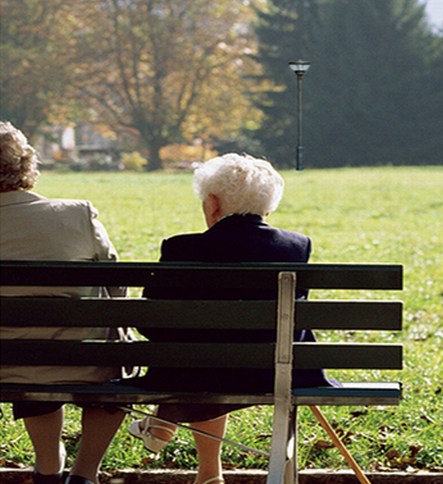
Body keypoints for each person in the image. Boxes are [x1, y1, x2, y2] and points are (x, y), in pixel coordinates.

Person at [128, 153, 328, 484]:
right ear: (268, 206)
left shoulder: (181, 248)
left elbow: (150, 322)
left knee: (201, 353)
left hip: (194, 371)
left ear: (213, 203)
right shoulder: (296, 246)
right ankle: (202, 466)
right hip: (276, 371)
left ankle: (166, 426)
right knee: (215, 352)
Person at [0, 122, 127, 484]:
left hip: (6, 363)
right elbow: (116, 286)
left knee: (28, 358)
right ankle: (84, 474)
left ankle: (48, 466)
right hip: (84, 360)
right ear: (26, 164)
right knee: (114, 360)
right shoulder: (76, 215)